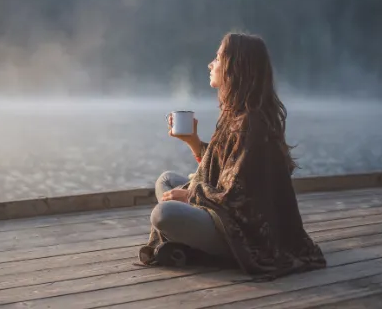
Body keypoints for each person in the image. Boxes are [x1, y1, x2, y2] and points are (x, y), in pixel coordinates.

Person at [138, 32, 327, 280]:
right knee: (167, 180)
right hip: (224, 210)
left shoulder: (252, 124)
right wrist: (193, 141)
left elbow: (239, 197)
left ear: (234, 67)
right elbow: (224, 170)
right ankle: (190, 240)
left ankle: (215, 250)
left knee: (164, 214)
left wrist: (191, 195)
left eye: (217, 58)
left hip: (246, 232)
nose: (211, 64)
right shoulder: (235, 115)